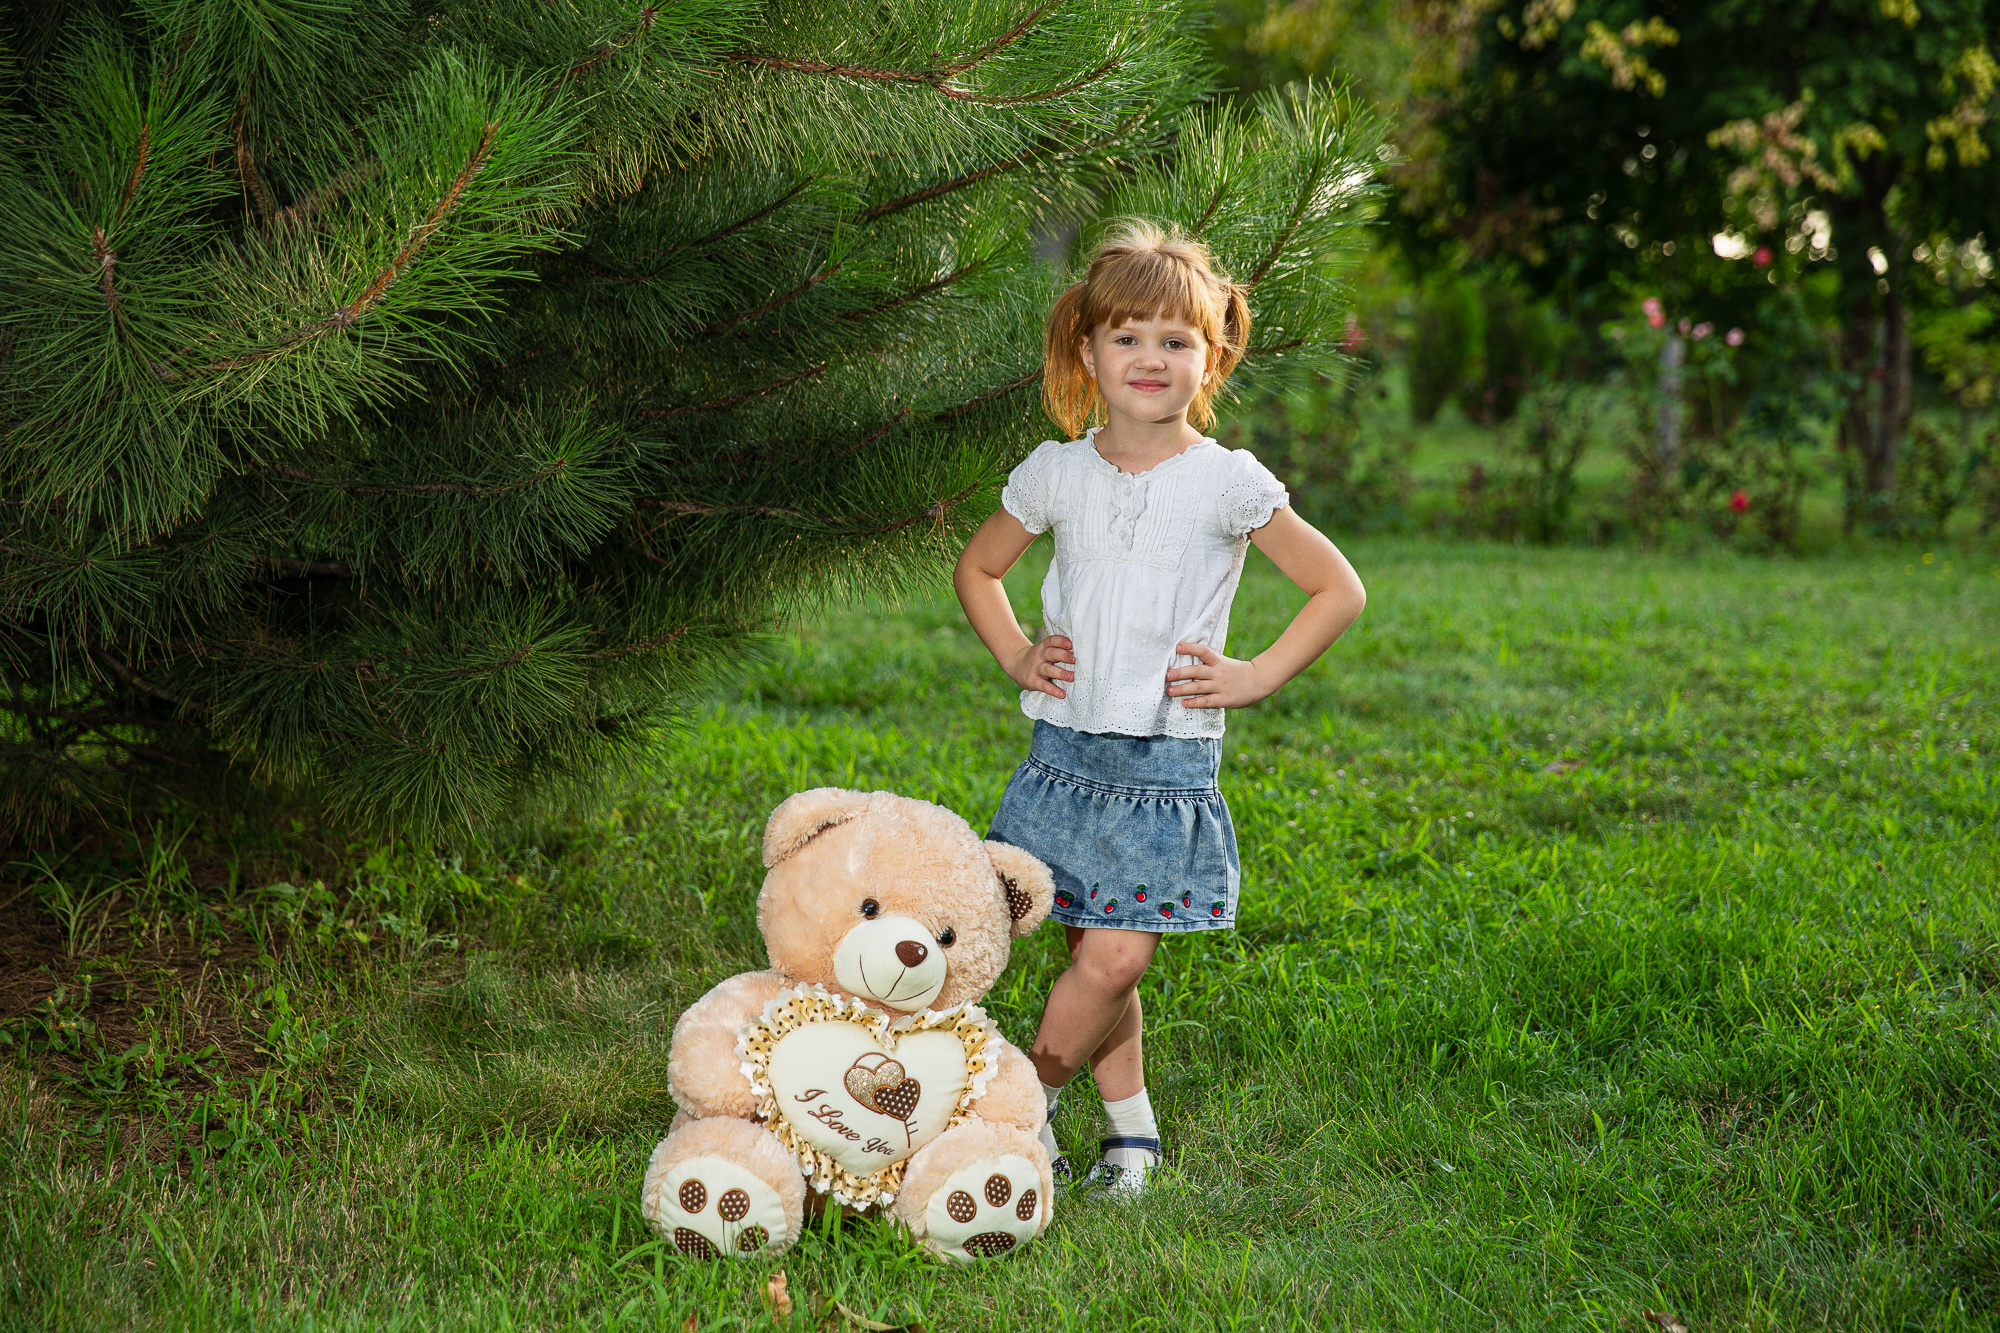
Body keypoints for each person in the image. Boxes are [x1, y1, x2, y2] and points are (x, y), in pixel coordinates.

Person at [953, 220, 1368, 1197]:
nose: (1150, 357)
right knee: (1100, 961)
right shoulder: (1056, 472)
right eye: (1128, 337)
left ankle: (1016, 1102)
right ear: (1085, 351)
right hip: (1062, 758)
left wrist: (1255, 672)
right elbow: (978, 565)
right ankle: (1129, 1134)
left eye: (1175, 340)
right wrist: (1017, 649)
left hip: (1160, 766)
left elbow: (1336, 587)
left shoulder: (1225, 481)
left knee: (1111, 957)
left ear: (1210, 355)